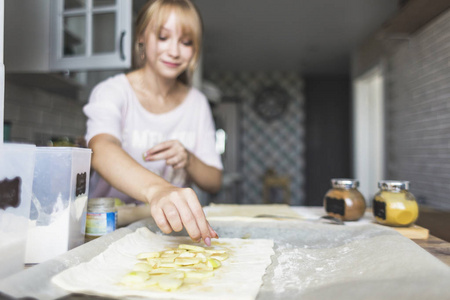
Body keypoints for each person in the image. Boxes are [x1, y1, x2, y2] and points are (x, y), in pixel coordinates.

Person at [83, 0, 222, 246]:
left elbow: (214, 180)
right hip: (107, 232)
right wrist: (159, 190)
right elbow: (101, 149)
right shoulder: (112, 91)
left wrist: (188, 159)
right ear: (141, 39)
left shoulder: (197, 103)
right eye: (163, 37)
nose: (175, 51)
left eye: (186, 42)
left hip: (170, 236)